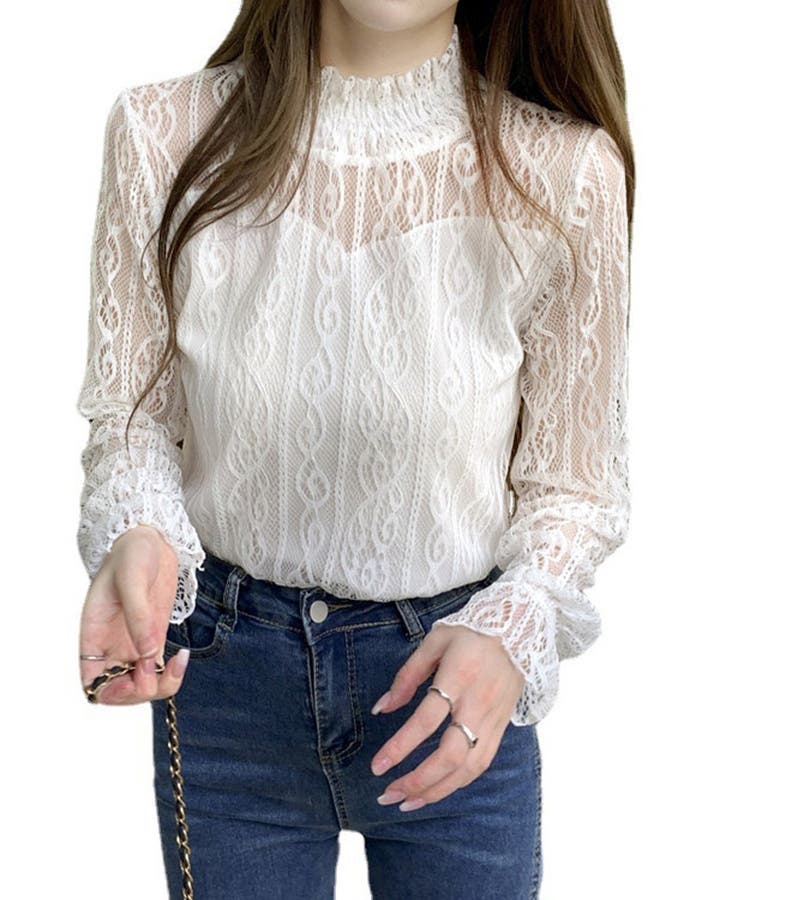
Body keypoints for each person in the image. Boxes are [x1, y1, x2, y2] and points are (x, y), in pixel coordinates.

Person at [76, 1, 633, 897]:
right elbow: (133, 414)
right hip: (225, 684)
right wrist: (140, 531)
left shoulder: (564, 175)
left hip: (456, 688)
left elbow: (576, 485)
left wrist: (517, 625)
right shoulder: (162, 136)